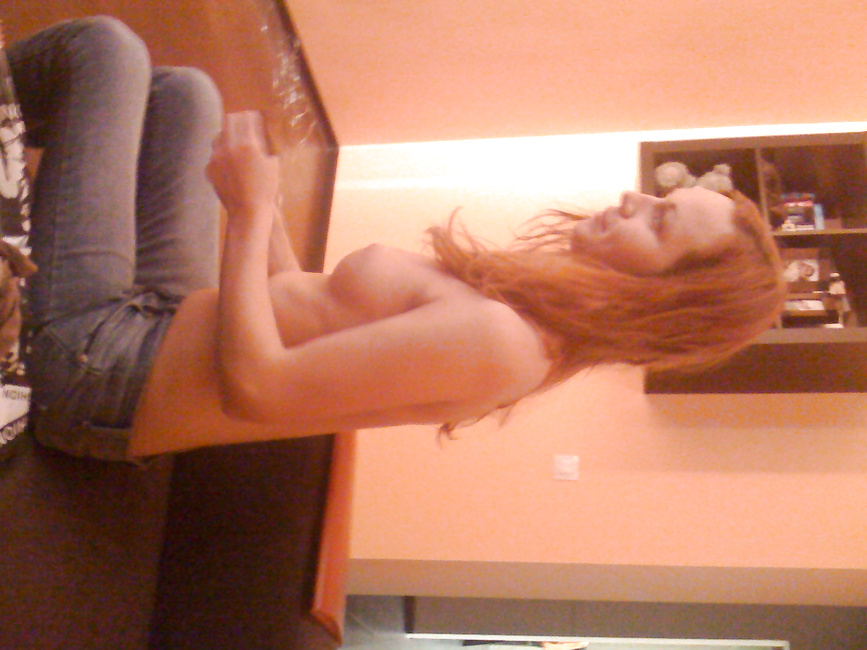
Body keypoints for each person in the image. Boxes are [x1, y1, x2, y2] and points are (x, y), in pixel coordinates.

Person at [10, 17, 786, 463]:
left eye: (659, 220)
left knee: (106, 50)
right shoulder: (521, 305)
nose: (633, 198)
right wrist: (264, 213)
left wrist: (247, 215)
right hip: (165, 316)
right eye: (658, 196)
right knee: (189, 96)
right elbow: (298, 304)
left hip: (100, 369)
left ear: (656, 300)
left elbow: (259, 390)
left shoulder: (503, 344)